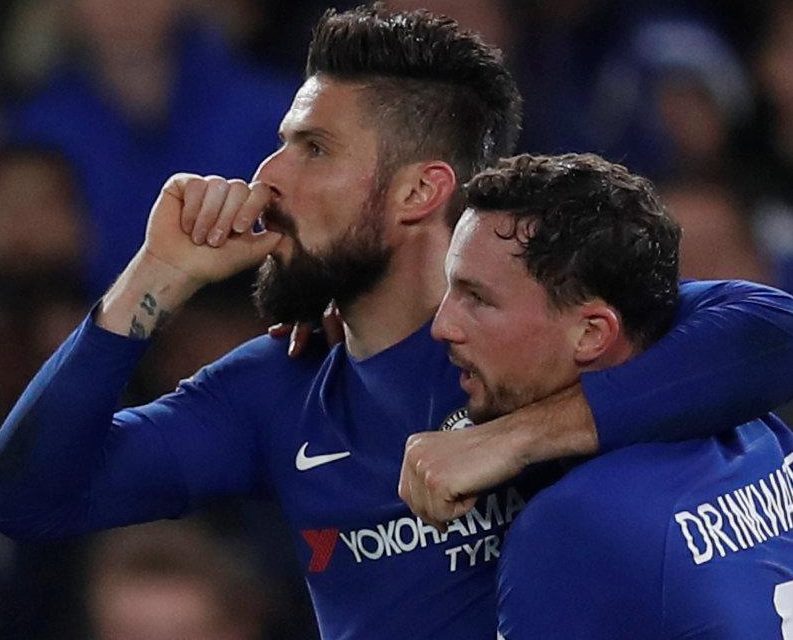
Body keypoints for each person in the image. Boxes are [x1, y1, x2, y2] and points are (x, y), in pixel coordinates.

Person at [2, 6, 793, 639]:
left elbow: (769, 333)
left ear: (419, 192)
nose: (267, 175)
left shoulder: (541, 336)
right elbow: (28, 498)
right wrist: (154, 277)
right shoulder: (275, 392)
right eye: (282, 144)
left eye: (312, 149)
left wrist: (515, 437)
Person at [431, 152, 793, 638]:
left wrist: (516, 437)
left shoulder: (573, 527)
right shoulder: (757, 432)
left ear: (591, 333)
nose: (441, 326)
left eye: (478, 299)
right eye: (449, 289)